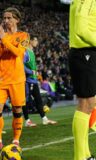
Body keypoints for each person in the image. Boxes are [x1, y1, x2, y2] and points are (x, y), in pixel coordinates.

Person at [0, 7, 29, 152]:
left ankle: (16, 140)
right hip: (0, 79)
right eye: (4, 18)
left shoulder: (24, 36)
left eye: (9, 18)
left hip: (17, 79)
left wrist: (4, 39)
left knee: (17, 109)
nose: (6, 21)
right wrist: (0, 41)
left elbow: (19, 52)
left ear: (16, 19)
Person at [69, 0, 96, 160]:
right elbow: (81, 28)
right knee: (85, 104)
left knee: (89, 104)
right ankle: (80, 157)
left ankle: (85, 155)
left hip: (85, 53)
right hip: (84, 53)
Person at [23, 34, 57, 127]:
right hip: (27, 81)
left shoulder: (31, 52)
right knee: (25, 101)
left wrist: (35, 73)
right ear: (31, 41)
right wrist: (31, 72)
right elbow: (21, 65)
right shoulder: (25, 52)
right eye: (36, 40)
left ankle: (44, 119)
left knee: (38, 99)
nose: (37, 42)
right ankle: (27, 120)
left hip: (33, 81)